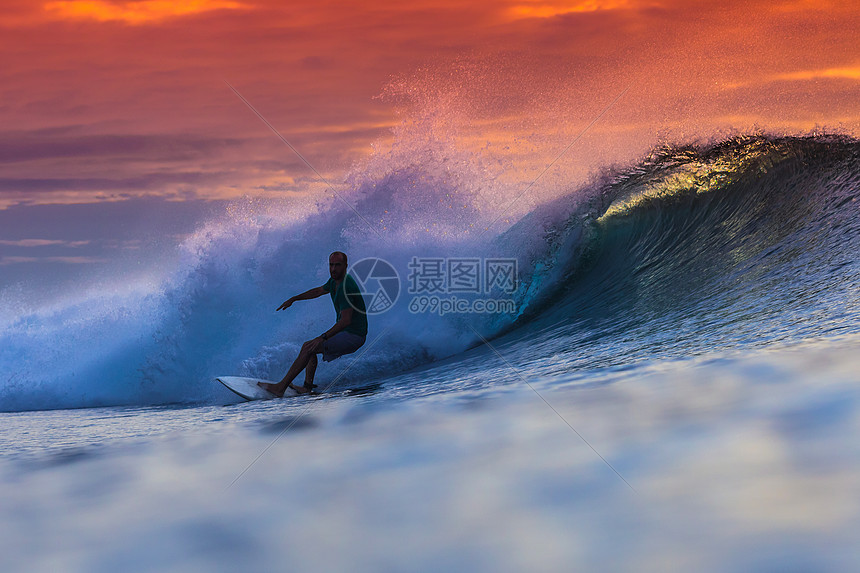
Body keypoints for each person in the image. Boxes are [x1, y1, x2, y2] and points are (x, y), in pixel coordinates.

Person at [258, 251, 368, 397]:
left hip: (354, 336)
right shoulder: (335, 281)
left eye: (337, 265)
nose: (333, 269)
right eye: (331, 265)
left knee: (308, 347)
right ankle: (307, 387)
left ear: (346, 266)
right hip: (347, 332)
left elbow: (346, 321)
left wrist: (322, 337)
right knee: (309, 347)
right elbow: (318, 291)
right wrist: (295, 298)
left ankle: (280, 388)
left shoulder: (345, 287)